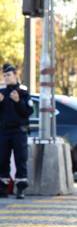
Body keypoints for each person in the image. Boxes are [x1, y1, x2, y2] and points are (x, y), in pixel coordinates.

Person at [0, 63, 34, 199]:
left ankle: (20, 189)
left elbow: (28, 112)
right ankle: (2, 188)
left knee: (21, 160)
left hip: (19, 132)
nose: (6, 78)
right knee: (2, 160)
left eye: (8, 75)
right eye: (4, 76)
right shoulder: (2, 94)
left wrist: (18, 101)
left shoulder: (23, 93)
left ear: (15, 75)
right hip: (3, 132)